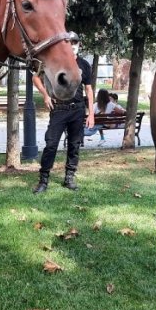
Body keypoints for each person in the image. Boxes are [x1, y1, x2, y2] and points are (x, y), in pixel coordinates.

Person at [32, 35, 94, 193]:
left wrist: (91, 114)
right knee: (51, 144)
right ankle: (43, 180)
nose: (72, 45)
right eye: (69, 42)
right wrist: (45, 95)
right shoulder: (56, 61)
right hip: (59, 109)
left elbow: (89, 89)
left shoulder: (84, 65)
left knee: (74, 145)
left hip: (78, 110)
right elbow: (36, 77)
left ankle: (69, 178)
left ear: (79, 44)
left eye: (75, 42)